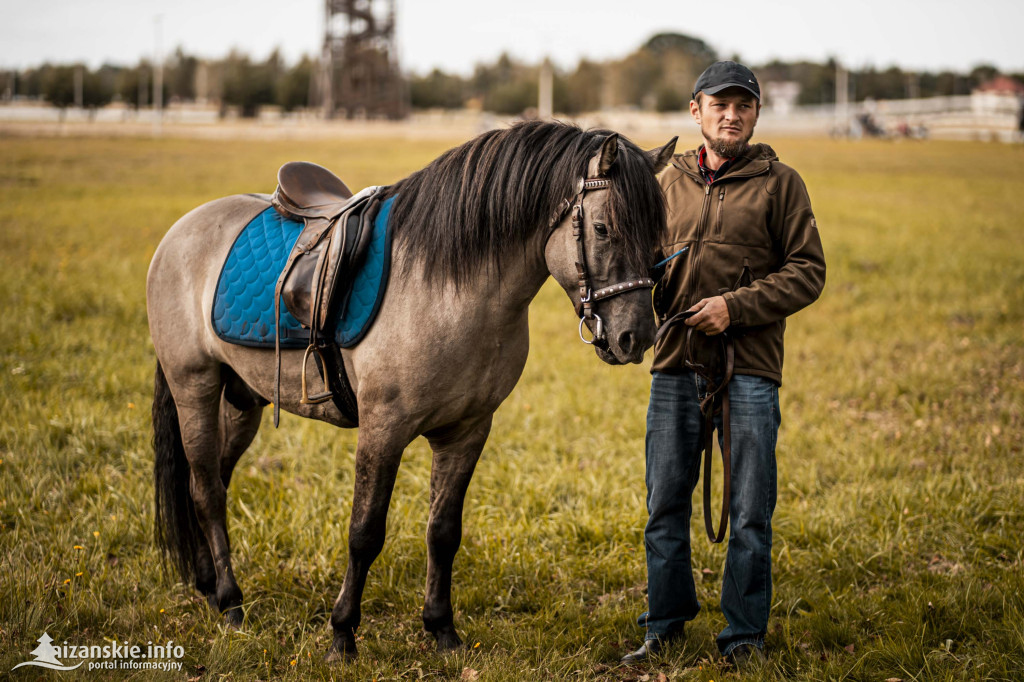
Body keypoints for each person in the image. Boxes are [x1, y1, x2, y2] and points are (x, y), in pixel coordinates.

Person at [621, 61, 826, 668]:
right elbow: (640, 262)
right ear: (696, 111)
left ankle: (743, 637)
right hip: (675, 364)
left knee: (750, 510)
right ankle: (664, 623)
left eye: (743, 106)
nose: (731, 115)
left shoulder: (782, 183)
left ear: (756, 115)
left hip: (751, 368)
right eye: (719, 105)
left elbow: (808, 271)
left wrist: (734, 308)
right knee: (664, 504)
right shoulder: (663, 184)